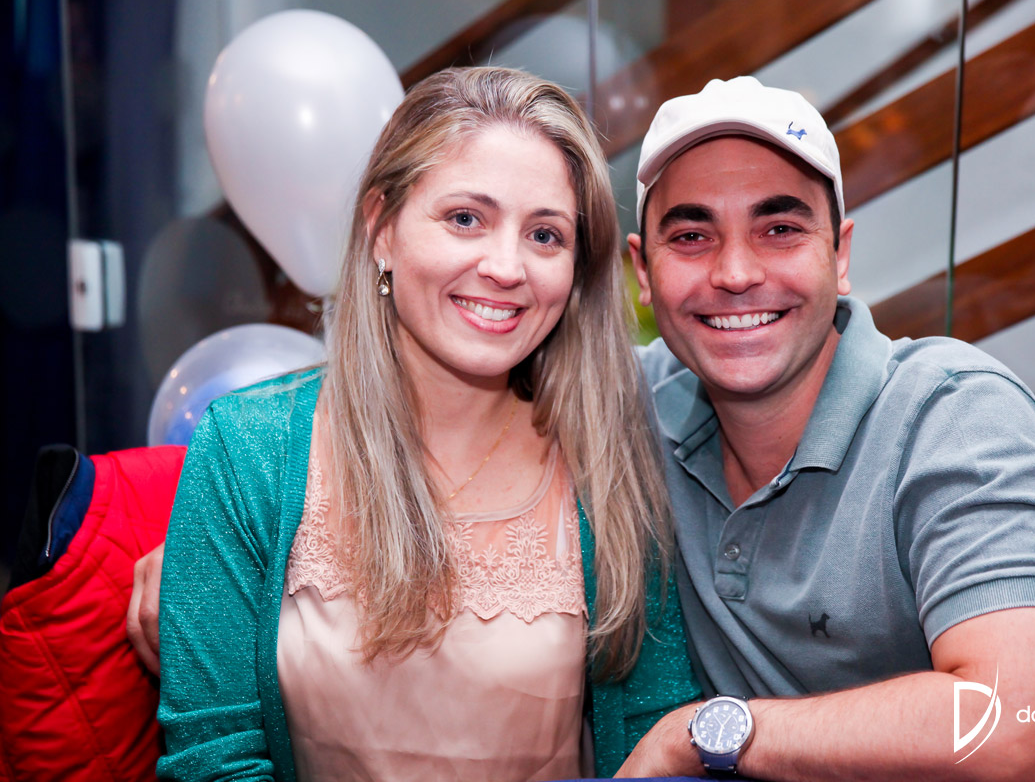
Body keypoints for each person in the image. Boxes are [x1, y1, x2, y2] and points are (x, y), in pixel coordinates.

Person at [615, 76, 1035, 781]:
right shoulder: (633, 406)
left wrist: (704, 733)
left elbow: (1016, 736)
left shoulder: (959, 417)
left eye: (780, 229)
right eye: (692, 236)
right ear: (644, 270)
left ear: (839, 255)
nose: (735, 272)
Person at [151, 66, 698, 782]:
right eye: (465, 219)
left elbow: (655, 735)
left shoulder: (609, 456)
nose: (506, 267)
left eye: (545, 235)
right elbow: (211, 759)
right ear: (381, 227)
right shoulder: (246, 447)